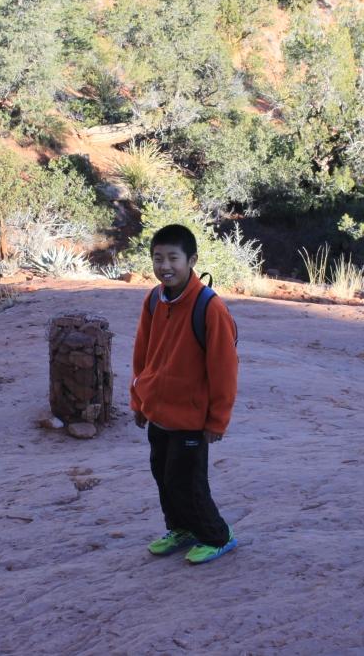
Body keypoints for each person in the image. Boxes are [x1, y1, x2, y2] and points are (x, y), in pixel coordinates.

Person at [130, 224, 239, 564]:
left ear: (191, 260)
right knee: (164, 477)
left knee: (188, 482)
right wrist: (139, 401)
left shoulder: (209, 307)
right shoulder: (154, 299)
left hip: (191, 417)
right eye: (157, 258)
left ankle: (217, 536)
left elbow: (224, 369)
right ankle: (181, 528)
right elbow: (142, 354)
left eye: (173, 258)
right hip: (159, 413)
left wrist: (217, 420)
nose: (165, 266)